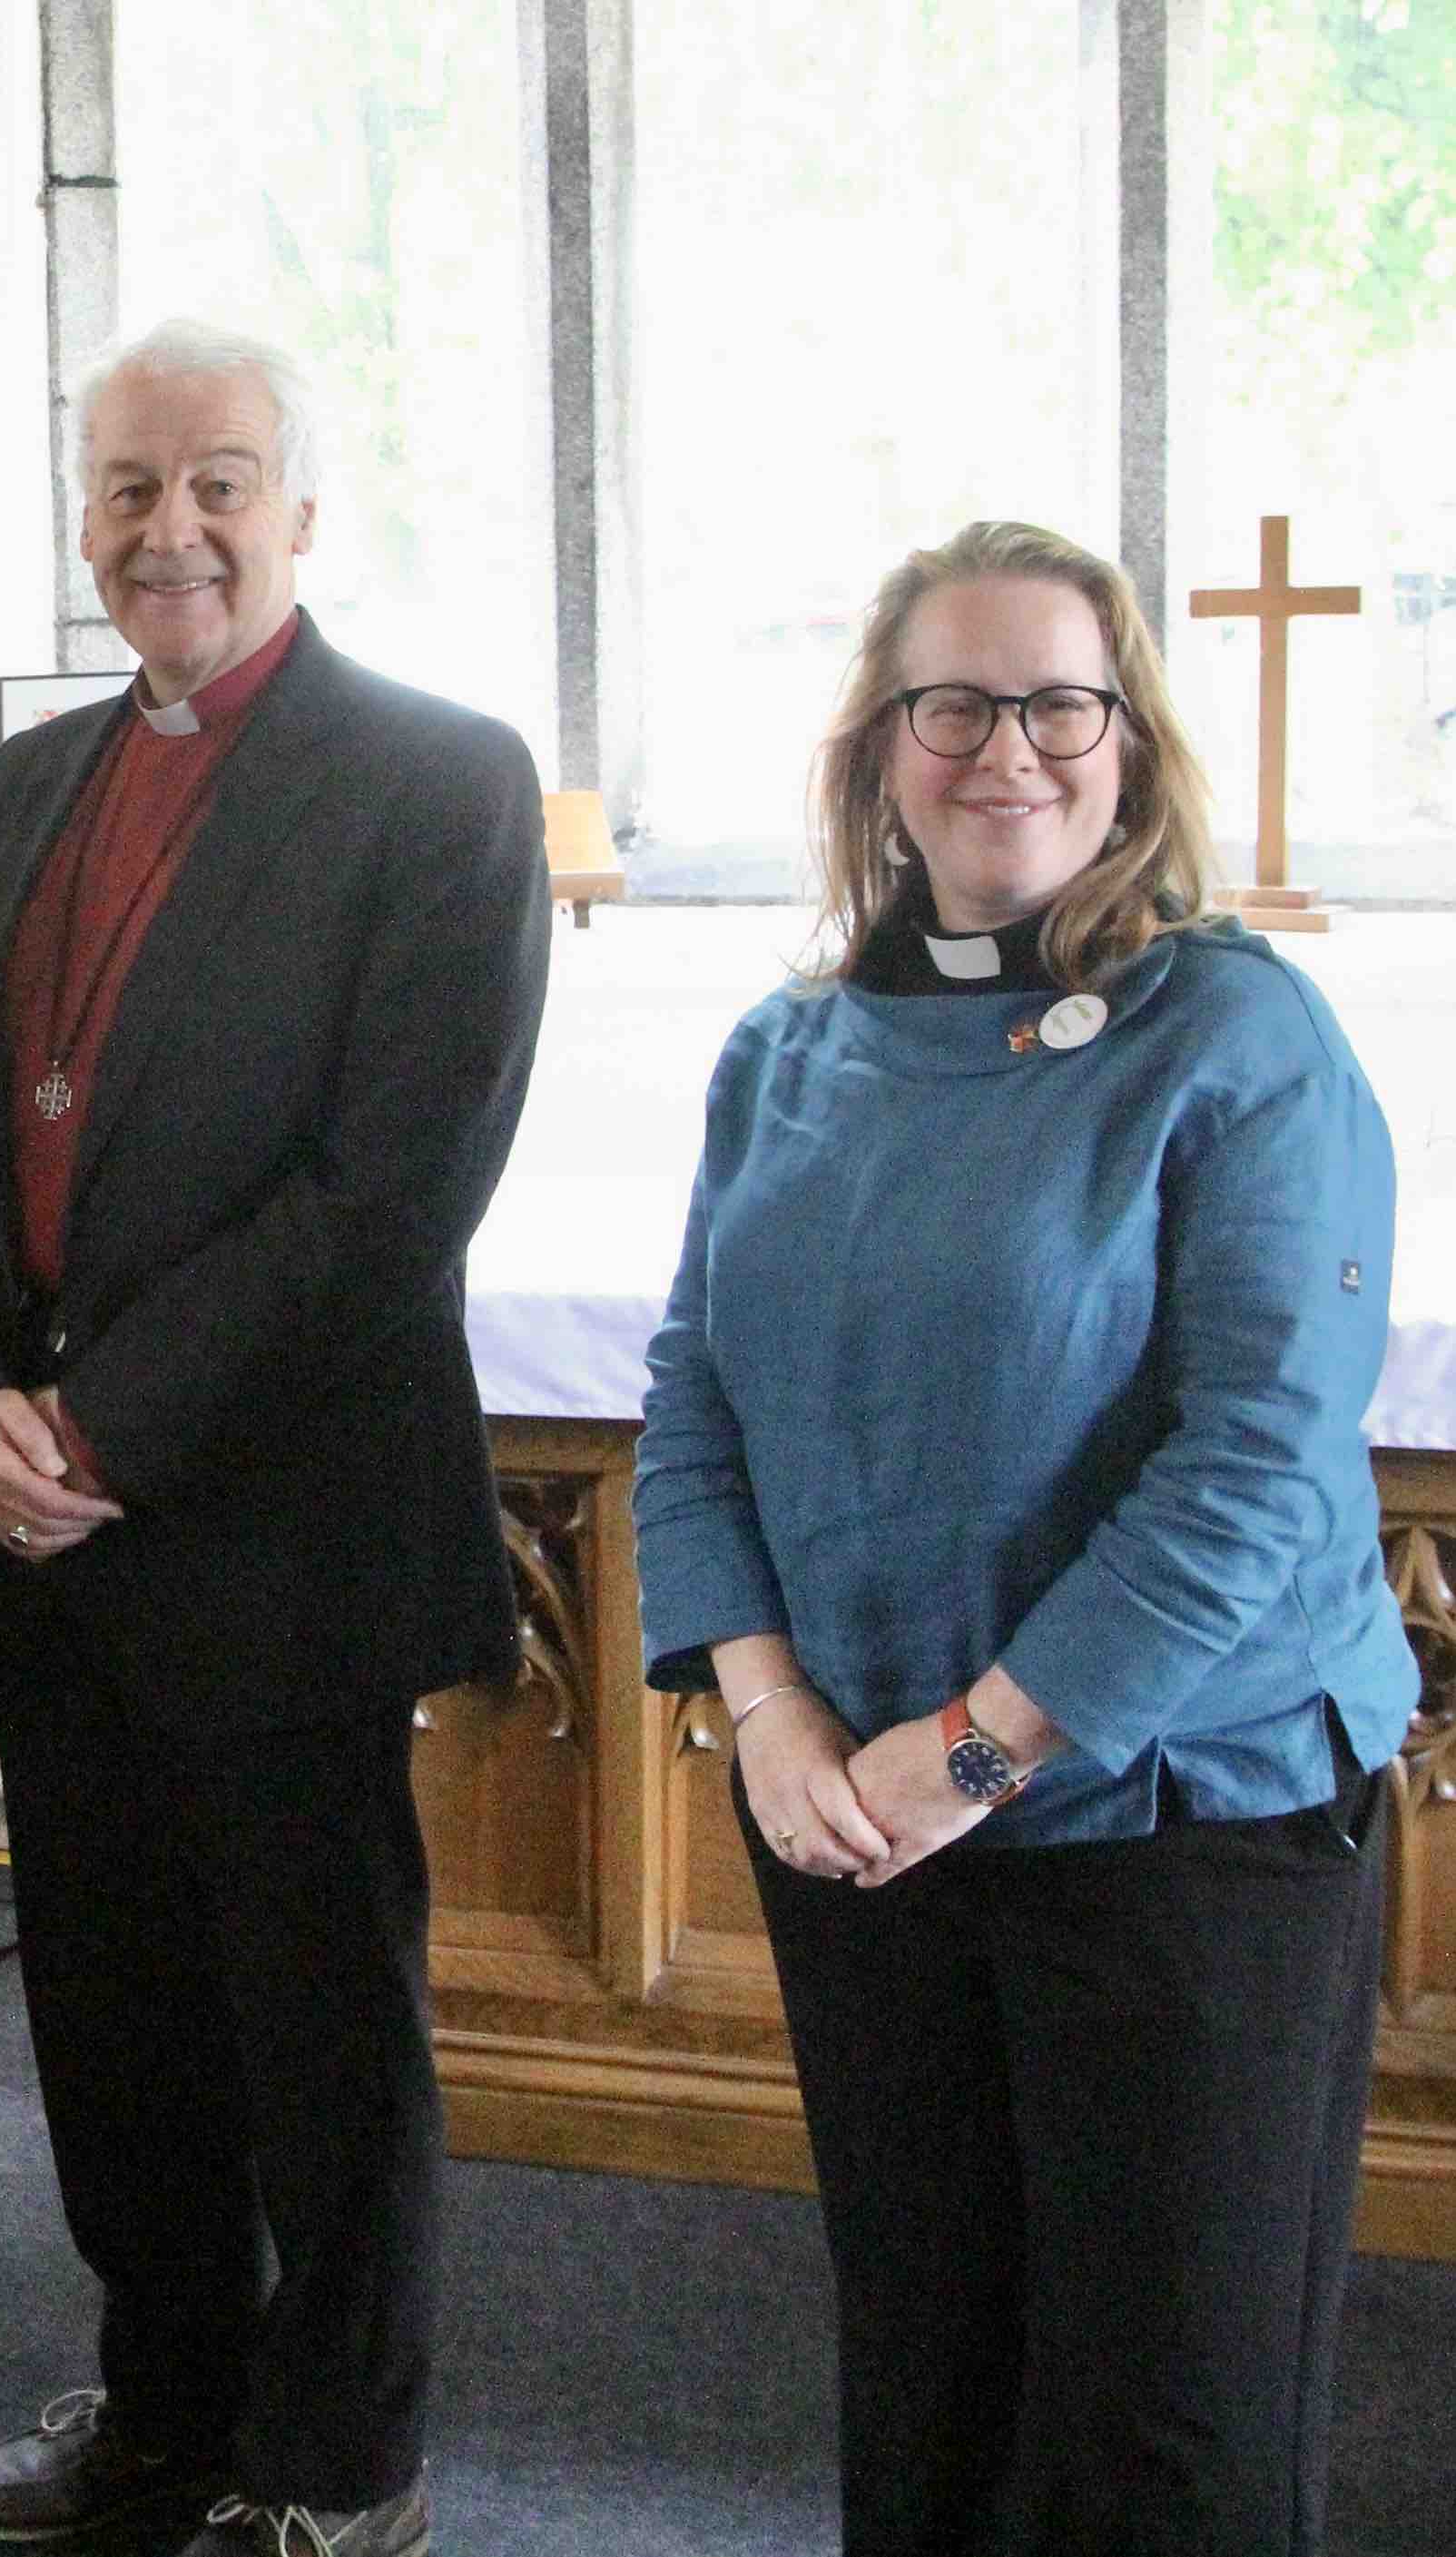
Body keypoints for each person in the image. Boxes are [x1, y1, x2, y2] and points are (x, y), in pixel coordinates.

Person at [634, 519, 1415, 2556]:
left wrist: (976, 1740)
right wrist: (774, 1708)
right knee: (933, 2376)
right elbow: (696, 1388)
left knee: (1169, 2428)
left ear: (1129, 743)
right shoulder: (785, 1052)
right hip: (861, 1821)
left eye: (1057, 701)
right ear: (879, 749)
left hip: (1177, 1824)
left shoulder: (1239, 1040)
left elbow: (1251, 1461)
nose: (1008, 748)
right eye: (951, 702)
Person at [0, 321, 547, 2557]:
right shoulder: (26, 782)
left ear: (303, 511)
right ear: (82, 510)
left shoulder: (438, 778)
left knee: (317, 2042)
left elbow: (391, 1186)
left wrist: (97, 1414)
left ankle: (338, 2459)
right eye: (128, 486)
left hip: (276, 1531)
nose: (168, 528)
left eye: (218, 482)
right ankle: (165, 2404)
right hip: (53, 1543)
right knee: (112, 2030)